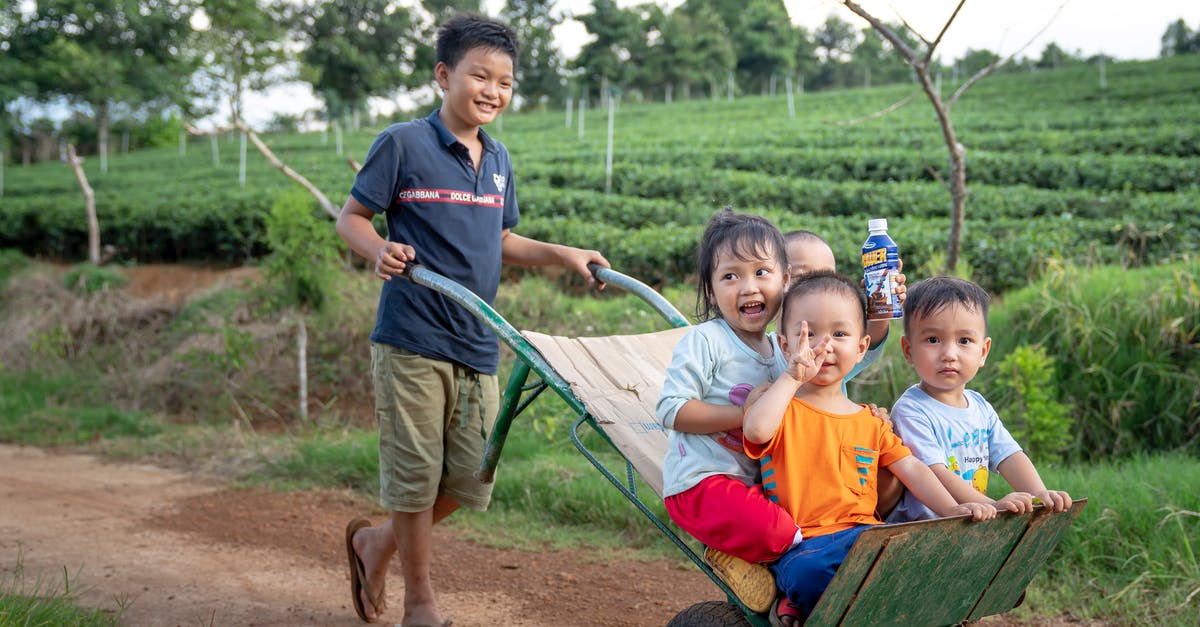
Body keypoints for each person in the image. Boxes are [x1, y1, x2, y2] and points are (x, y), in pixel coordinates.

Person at [335, 13, 609, 626]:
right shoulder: (402, 143)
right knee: (413, 479)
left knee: (469, 480)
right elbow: (350, 218)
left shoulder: (500, 159)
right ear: (443, 75)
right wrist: (378, 249)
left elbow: (501, 239)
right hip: (411, 337)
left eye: (505, 82)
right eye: (478, 75)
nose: (492, 91)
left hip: (477, 340)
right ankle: (421, 603)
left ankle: (376, 543)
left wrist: (562, 255)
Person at [742, 271, 996, 622]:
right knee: (808, 574)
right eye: (808, 334)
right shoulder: (780, 405)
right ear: (785, 346)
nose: (823, 346)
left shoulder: (871, 421)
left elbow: (913, 470)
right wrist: (790, 378)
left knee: (899, 555)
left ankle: (825, 606)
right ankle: (803, 602)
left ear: (862, 347)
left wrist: (953, 509)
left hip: (865, 536)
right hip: (805, 544)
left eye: (840, 334)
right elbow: (755, 432)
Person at [655, 208, 799, 614]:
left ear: (786, 280)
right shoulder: (707, 341)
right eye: (730, 276)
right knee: (783, 532)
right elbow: (671, 409)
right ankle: (728, 554)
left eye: (761, 272)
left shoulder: (781, 352)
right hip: (702, 485)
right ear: (711, 290)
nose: (747, 287)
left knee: (813, 519)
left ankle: (783, 597)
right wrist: (743, 414)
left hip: (754, 486)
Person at [885, 276, 1073, 523]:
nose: (949, 354)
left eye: (964, 341)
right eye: (933, 340)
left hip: (966, 522)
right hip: (921, 527)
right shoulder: (911, 410)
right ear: (908, 350)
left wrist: (1039, 494)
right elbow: (935, 471)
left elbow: (1009, 455)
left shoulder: (980, 406)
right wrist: (993, 505)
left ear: (983, 352)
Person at [782, 229, 906, 515]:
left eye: (827, 276)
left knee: (894, 455)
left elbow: (867, 336)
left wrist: (880, 299)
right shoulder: (770, 353)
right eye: (803, 277)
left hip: (841, 479)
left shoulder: (830, 353)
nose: (818, 287)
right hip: (794, 487)